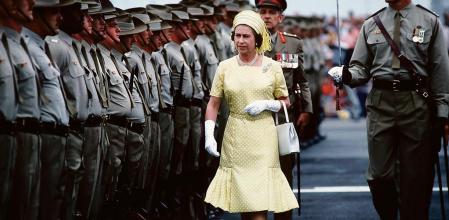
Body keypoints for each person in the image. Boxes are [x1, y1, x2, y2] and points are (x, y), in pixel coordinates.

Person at [328, 0, 449, 219]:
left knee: (415, 176)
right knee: (379, 176)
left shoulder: (429, 21)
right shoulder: (371, 23)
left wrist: (443, 112)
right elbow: (360, 69)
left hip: (416, 103)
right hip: (380, 103)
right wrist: (347, 75)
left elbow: (440, 68)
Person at [204, 10, 298, 220]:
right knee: (245, 203)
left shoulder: (272, 67)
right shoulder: (224, 67)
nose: (241, 40)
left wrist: (267, 104)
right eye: (237, 36)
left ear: (257, 38)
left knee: (258, 205)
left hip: (263, 136)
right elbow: (213, 103)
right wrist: (209, 135)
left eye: (246, 36)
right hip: (235, 136)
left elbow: (285, 101)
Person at [257, 1, 312, 219]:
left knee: (284, 172)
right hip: (255, 117)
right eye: (263, 12)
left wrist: (306, 109)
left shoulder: (291, 44)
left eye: (272, 12)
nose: (267, 16)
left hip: (282, 117)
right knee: (257, 173)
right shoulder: (246, 41)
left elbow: (302, 80)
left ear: (281, 17)